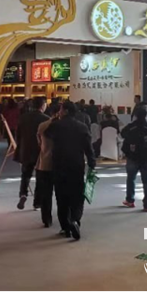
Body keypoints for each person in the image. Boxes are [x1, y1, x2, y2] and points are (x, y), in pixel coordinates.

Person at [45, 101, 96, 240]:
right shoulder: (82, 127)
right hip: (76, 165)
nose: (59, 112)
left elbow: (47, 134)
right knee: (77, 195)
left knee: (61, 197)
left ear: (66, 111)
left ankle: (65, 227)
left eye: (61, 109)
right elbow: (88, 147)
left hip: (59, 165)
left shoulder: (56, 125)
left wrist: (55, 120)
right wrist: (92, 163)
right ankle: (75, 219)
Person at [14, 97, 49, 210]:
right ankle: (37, 203)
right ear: (42, 105)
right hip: (40, 151)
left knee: (25, 174)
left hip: (26, 150)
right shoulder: (46, 119)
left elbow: (18, 135)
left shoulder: (23, 118)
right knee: (40, 177)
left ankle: (23, 194)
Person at [121, 107, 147, 212]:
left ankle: (130, 200)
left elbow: (122, 134)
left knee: (131, 179)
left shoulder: (131, 127)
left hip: (133, 156)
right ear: (146, 116)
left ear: (135, 116)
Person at [36, 110, 59, 228]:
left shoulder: (42, 126)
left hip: (44, 163)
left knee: (46, 194)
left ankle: (46, 219)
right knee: (62, 194)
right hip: (60, 164)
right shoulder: (63, 126)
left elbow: (39, 143)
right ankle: (64, 219)